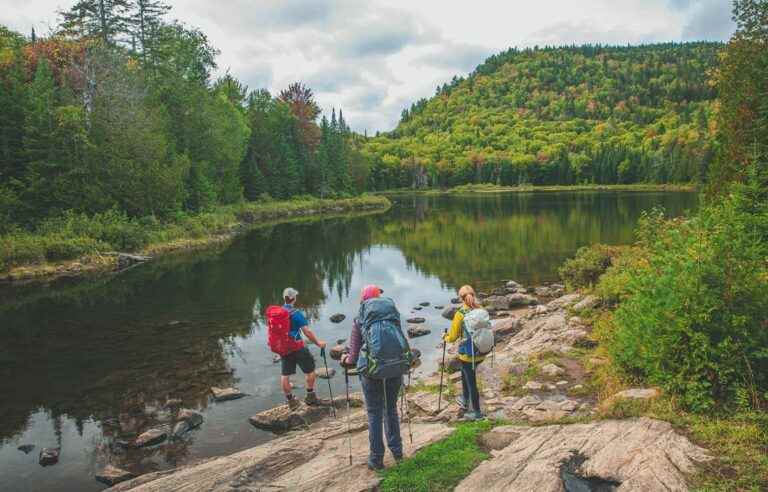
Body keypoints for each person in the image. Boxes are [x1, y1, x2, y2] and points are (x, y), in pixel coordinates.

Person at [341, 285, 409, 470]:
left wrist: (345, 358)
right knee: (391, 410)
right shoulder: (392, 315)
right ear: (379, 298)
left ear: (363, 300)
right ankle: (398, 453)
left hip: (371, 373)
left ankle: (376, 459)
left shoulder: (359, 320)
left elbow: (353, 357)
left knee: (374, 413)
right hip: (394, 369)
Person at [279, 287, 327, 410]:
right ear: (293, 298)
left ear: (284, 298)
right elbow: (307, 331)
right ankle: (310, 397)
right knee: (310, 371)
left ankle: (291, 401)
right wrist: (318, 343)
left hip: (284, 347)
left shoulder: (277, 313)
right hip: (297, 345)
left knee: (285, 375)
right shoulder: (295, 313)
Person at [444, 285, 485, 420]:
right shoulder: (481, 310)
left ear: (461, 298)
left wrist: (444, 337)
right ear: (473, 295)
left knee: (471, 381)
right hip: (481, 350)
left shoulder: (460, 314)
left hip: (468, 355)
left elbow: (453, 337)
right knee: (465, 374)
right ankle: (465, 400)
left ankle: (477, 413)